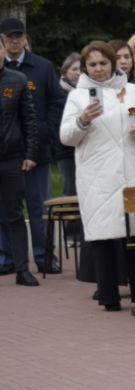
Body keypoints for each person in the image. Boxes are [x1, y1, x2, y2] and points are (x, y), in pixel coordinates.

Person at [59, 41, 135, 309]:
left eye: (103, 63)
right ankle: (109, 297)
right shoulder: (77, 97)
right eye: (92, 65)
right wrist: (83, 120)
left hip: (131, 173)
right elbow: (65, 137)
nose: (98, 69)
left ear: (113, 63)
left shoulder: (131, 90)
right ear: (86, 67)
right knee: (103, 236)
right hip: (97, 176)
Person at [0, 17, 66, 275]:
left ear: (26, 38)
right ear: (3, 42)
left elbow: (57, 102)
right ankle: (8, 258)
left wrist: (46, 131)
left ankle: (44, 256)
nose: (15, 40)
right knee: (6, 208)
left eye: (19, 36)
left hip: (37, 151)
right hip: (7, 152)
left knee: (38, 204)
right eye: (9, 37)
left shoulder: (42, 67)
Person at [0, 57, 39, 286]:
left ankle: (22, 269)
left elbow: (30, 120)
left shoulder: (18, 80)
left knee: (15, 214)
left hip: (11, 158)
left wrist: (31, 153)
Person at [56, 53, 82, 199]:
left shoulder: (89, 93)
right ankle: (71, 223)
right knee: (71, 191)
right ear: (65, 71)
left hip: (85, 147)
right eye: (74, 69)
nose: (78, 73)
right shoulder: (58, 92)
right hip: (65, 151)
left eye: (81, 69)